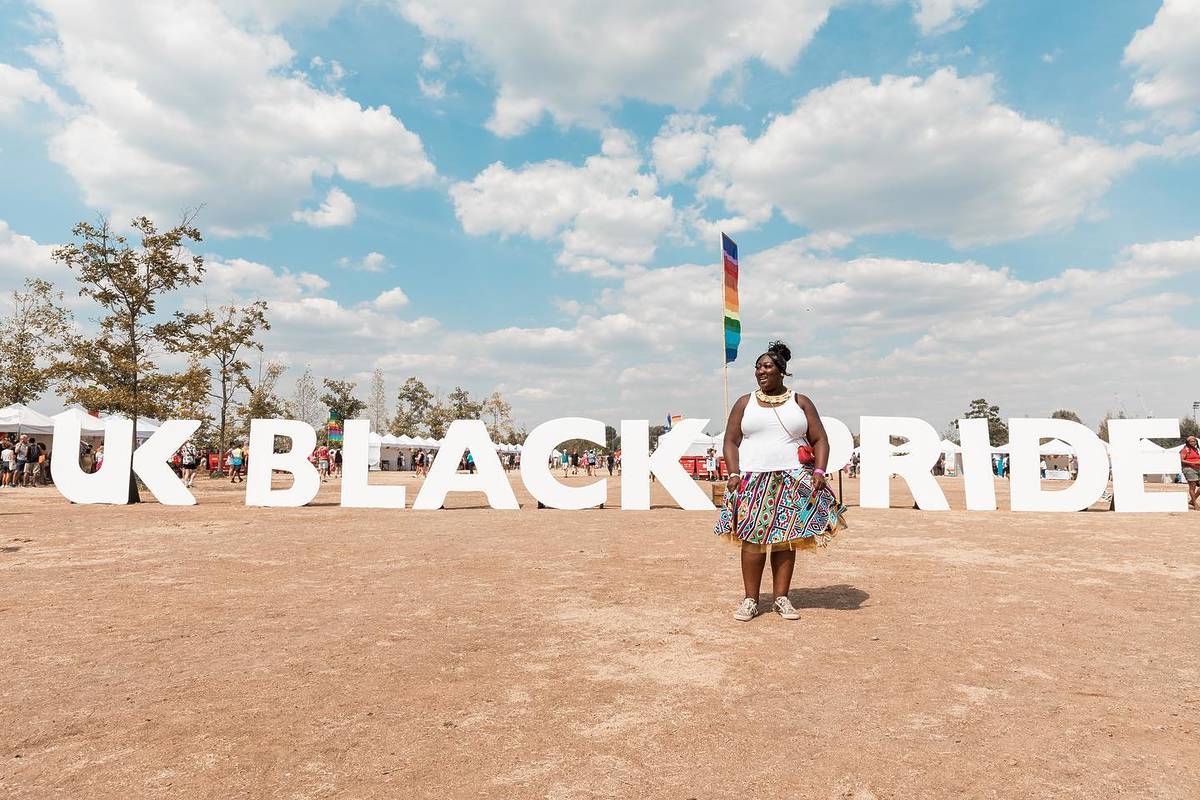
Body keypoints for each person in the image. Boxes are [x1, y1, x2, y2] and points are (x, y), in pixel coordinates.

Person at [714, 340, 846, 622]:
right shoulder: (744, 403)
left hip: (793, 478)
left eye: (767, 367)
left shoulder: (800, 402)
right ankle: (750, 600)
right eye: (758, 367)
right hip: (752, 479)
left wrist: (820, 472)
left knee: (785, 541)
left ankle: (781, 599)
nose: (761, 372)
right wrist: (734, 473)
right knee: (752, 539)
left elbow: (820, 438)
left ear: (781, 371)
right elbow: (730, 440)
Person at [1181, 436, 1200, 510]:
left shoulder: (1195, 449)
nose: (1193, 442)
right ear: (1187, 442)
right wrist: (1194, 462)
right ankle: (1195, 504)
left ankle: (1192, 501)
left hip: (1197, 469)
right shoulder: (1185, 450)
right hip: (1189, 469)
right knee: (1192, 487)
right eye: (1191, 441)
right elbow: (1182, 460)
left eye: (1194, 441)